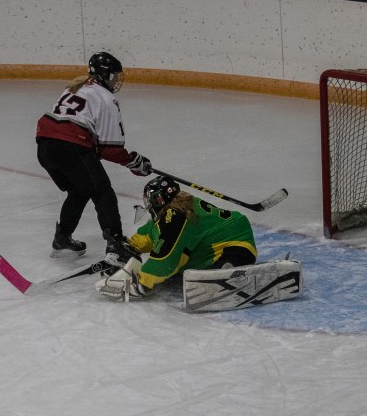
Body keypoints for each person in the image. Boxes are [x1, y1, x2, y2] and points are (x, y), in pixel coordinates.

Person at [36, 51, 152, 265]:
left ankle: (62, 239)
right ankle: (116, 245)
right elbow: (109, 149)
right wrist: (135, 161)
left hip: (45, 145)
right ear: (105, 75)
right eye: (114, 76)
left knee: (80, 190)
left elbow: (93, 144)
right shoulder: (107, 98)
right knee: (103, 192)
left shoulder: (76, 87)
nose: (117, 81)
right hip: (69, 145)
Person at [98, 175, 258, 299]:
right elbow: (151, 233)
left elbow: (166, 258)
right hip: (220, 243)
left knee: (209, 278)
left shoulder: (176, 216)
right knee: (182, 274)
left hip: (235, 245)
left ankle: (230, 274)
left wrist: (141, 282)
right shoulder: (172, 210)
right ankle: (223, 274)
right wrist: (128, 246)